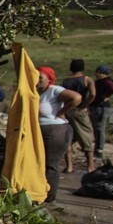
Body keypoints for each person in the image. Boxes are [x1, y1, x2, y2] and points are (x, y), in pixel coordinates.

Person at [36, 66, 82, 203]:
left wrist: (62, 112)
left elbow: (76, 97)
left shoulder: (54, 90)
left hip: (55, 131)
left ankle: (49, 197)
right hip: (42, 131)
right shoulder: (37, 93)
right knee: (40, 164)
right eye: (35, 77)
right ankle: (39, 192)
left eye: (40, 77)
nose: (37, 80)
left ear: (49, 79)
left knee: (51, 164)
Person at [61, 59, 96, 173]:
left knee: (68, 138)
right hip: (80, 110)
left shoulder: (66, 81)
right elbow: (93, 94)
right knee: (86, 137)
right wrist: (84, 105)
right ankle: (90, 167)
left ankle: (69, 166)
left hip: (67, 110)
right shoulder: (87, 79)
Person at [90, 64, 113, 163]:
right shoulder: (100, 82)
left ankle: (99, 151)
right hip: (98, 106)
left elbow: (112, 88)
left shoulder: (106, 82)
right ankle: (97, 149)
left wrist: (105, 96)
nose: (97, 74)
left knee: (100, 128)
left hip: (101, 107)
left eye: (99, 72)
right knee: (97, 129)